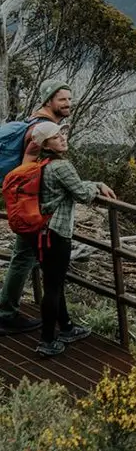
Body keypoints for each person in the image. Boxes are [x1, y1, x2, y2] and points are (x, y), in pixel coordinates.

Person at [25, 121, 116, 356]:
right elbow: (83, 194)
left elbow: (67, 188)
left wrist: (91, 184)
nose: (63, 138)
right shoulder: (62, 166)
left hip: (39, 231)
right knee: (53, 287)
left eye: (62, 134)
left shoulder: (39, 164)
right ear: (46, 144)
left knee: (53, 282)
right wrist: (96, 186)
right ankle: (46, 341)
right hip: (56, 233)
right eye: (56, 137)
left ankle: (65, 327)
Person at [0, 80, 74, 335]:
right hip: (34, 210)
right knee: (24, 257)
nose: (68, 104)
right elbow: (25, 169)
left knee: (26, 257)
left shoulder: (38, 123)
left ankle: (9, 311)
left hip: (31, 208)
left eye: (69, 99)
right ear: (48, 100)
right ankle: (7, 314)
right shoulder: (41, 129)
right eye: (62, 99)